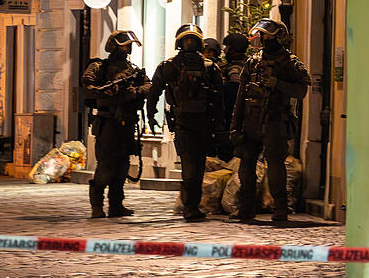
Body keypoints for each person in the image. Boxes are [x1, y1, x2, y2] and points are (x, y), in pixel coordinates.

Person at [229, 19, 311, 221]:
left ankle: (280, 208)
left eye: (270, 37)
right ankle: (246, 209)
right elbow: (241, 96)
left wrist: (278, 84)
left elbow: (301, 90)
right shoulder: (253, 62)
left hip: (275, 120)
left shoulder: (290, 63)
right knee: (246, 166)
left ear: (280, 38)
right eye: (264, 36)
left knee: (275, 165)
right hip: (251, 120)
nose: (266, 40)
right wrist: (235, 126)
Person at [146, 24, 225, 222]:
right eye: (186, 40)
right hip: (185, 123)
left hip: (201, 123)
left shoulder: (206, 67)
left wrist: (220, 125)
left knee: (197, 167)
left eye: (192, 40)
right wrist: (150, 115)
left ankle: (192, 205)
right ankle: (190, 206)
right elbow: (154, 92)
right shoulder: (170, 66)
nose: (189, 44)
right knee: (191, 167)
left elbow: (219, 99)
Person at [82, 30, 151, 218]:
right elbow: (88, 89)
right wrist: (110, 91)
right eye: (124, 45)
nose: (128, 49)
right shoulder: (99, 67)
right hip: (108, 123)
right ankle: (97, 206)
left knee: (122, 167)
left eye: (129, 46)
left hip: (127, 123)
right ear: (114, 46)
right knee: (106, 167)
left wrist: (134, 92)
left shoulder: (133, 69)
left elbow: (148, 85)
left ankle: (116, 205)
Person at [221, 33, 251, 128]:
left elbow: (234, 95)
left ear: (234, 49)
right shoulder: (246, 64)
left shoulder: (236, 69)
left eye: (227, 47)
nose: (224, 50)